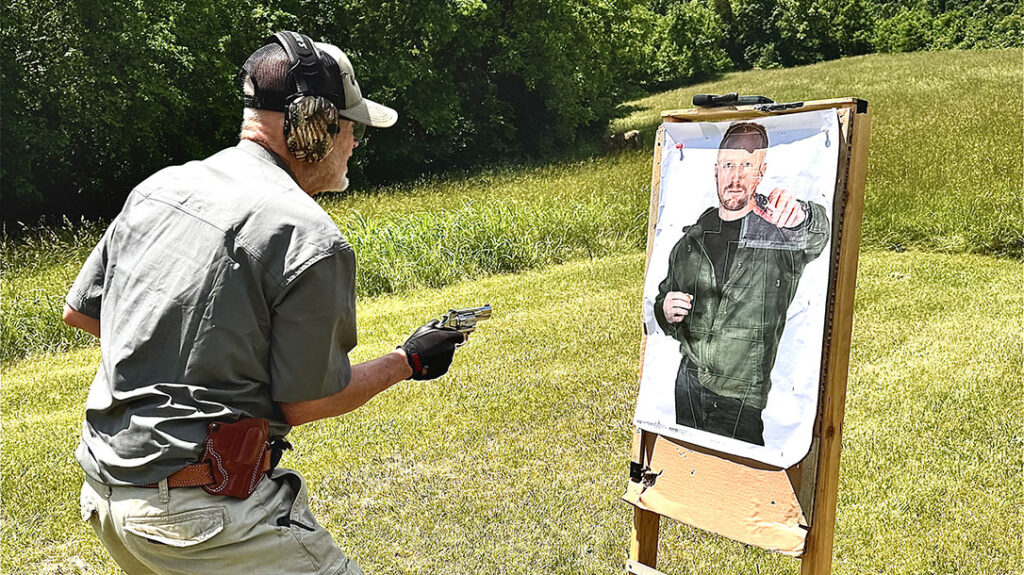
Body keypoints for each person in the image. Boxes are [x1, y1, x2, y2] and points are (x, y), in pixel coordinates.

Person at [61, 31, 465, 574]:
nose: (353, 146)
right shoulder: (307, 234)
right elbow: (309, 402)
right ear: (314, 125)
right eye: (351, 130)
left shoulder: (160, 186)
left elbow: (84, 313)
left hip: (108, 497)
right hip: (200, 518)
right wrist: (407, 360)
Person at [653, 122, 830, 446]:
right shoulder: (693, 238)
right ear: (716, 170)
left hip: (740, 399)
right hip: (688, 386)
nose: (735, 177)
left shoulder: (776, 228)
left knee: (742, 489)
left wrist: (802, 214)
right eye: (729, 165)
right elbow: (665, 299)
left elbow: (815, 235)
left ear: (761, 172)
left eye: (746, 165)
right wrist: (665, 309)